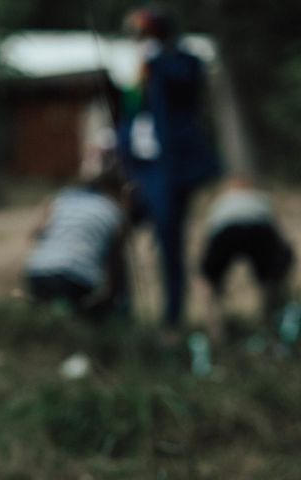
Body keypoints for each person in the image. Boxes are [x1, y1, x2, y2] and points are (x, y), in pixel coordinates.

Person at [117, 7, 219, 336]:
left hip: (172, 169)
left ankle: (171, 319)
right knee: (108, 229)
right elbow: (132, 108)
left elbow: (186, 82)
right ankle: (116, 311)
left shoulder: (182, 61)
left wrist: (157, 60)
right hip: (139, 169)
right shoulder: (140, 69)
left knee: (169, 241)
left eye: (145, 34)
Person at [25, 149, 130, 318]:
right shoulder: (114, 211)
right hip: (74, 279)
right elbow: (116, 266)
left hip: (37, 273)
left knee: (48, 313)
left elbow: (36, 233)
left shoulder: (62, 199)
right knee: (89, 313)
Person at [199, 177, 295, 343]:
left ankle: (214, 330)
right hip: (258, 229)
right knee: (270, 276)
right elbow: (277, 230)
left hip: (226, 232)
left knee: (209, 279)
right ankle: (271, 319)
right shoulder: (261, 198)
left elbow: (208, 235)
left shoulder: (220, 201)